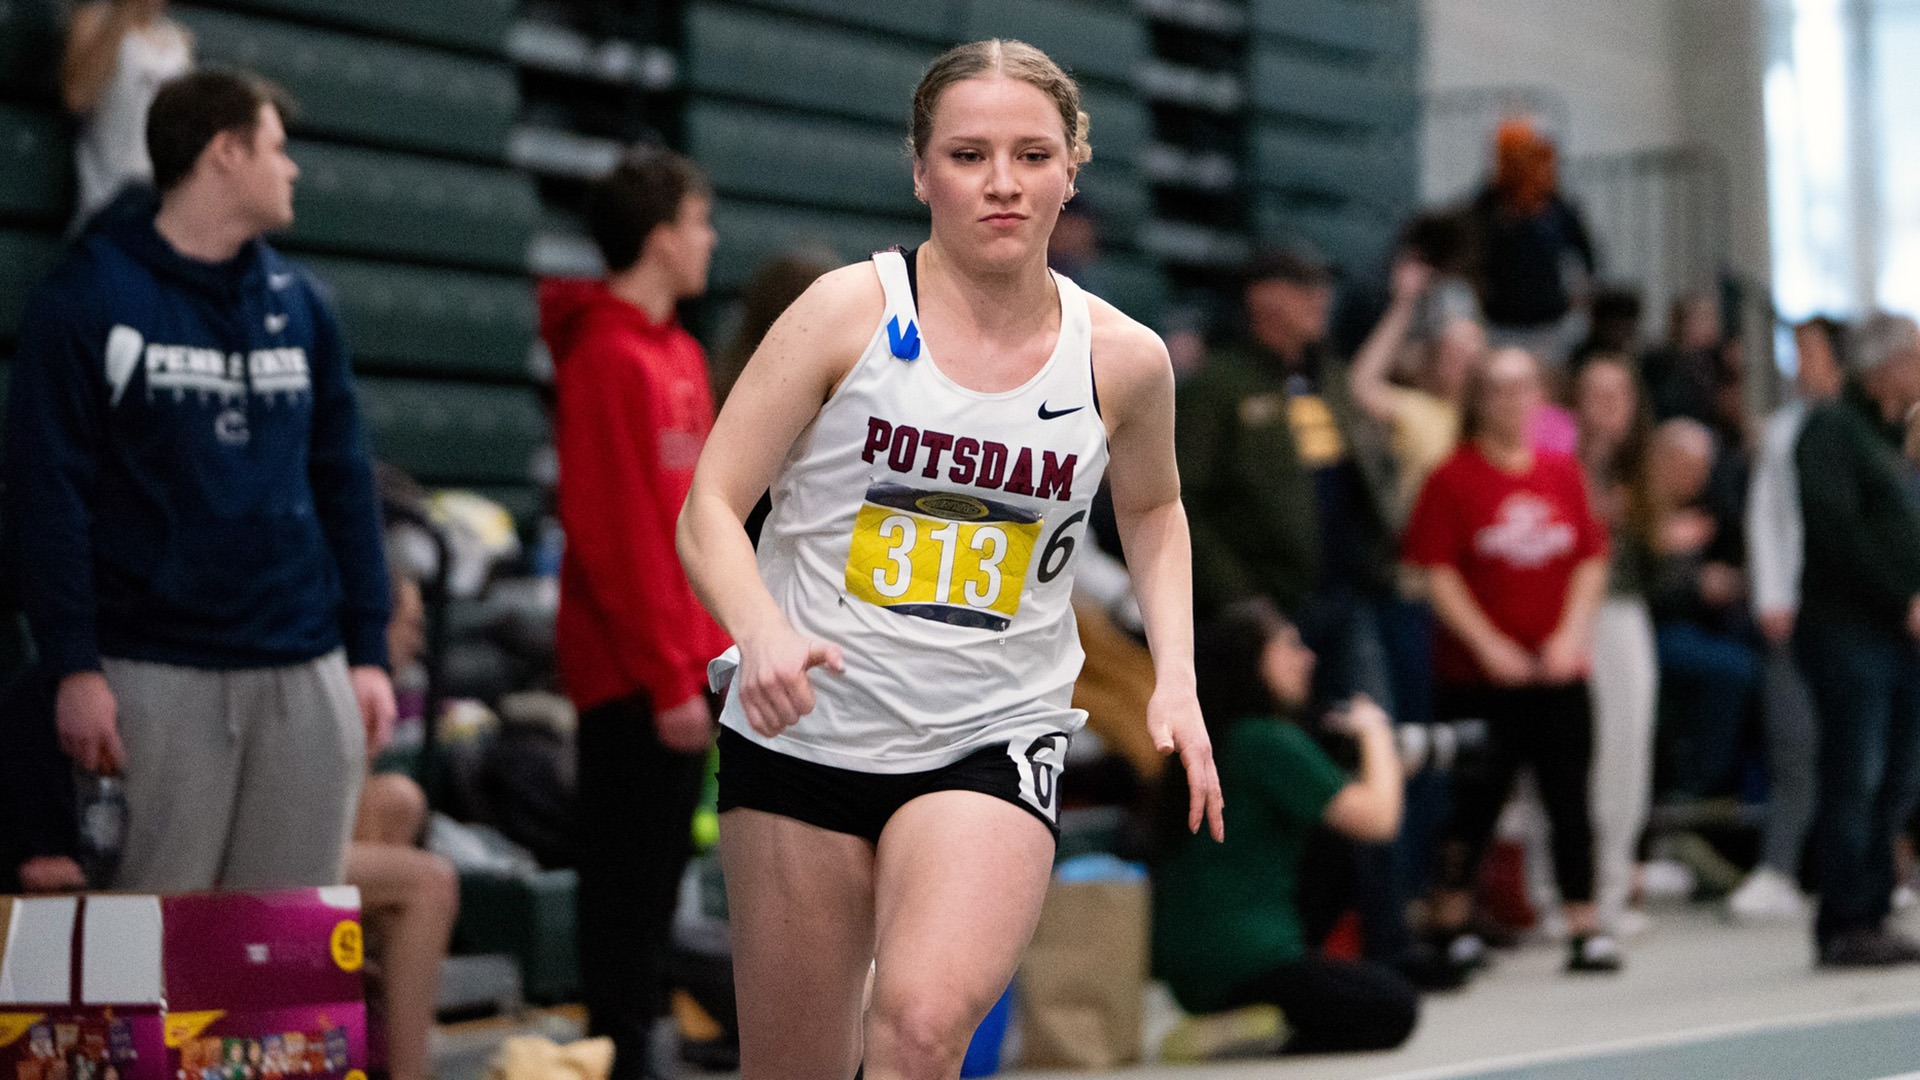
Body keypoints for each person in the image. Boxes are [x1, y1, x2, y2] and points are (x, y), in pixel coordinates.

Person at [675, 39, 1223, 1079]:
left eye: (1032, 153)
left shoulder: (1125, 359)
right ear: (921, 171)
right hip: (807, 735)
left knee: (923, 1026)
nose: (1003, 182)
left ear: (1073, 169)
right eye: (970, 155)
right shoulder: (844, 314)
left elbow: (1154, 509)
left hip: (992, 733)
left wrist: (1178, 678)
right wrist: (765, 632)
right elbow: (710, 505)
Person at [4, 69, 395, 893]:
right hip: (153, 669)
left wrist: (366, 649)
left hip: (302, 666)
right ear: (225, 152)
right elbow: (47, 498)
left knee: (289, 948)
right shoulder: (87, 299)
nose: (291, 171)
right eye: (276, 150)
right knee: (157, 943)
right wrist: (73, 666)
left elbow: (344, 484)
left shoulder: (304, 304)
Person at [537, 145, 730, 1079]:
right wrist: (666, 675)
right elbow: (616, 538)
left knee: (657, 887)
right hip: (631, 673)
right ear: (660, 240)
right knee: (622, 889)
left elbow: (700, 521)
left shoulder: (682, 353)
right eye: (699, 222)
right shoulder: (606, 358)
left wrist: (718, 648)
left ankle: (645, 1048)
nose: (711, 240)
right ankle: (625, 1056)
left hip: (687, 661)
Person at [1402, 347, 1618, 973]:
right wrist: (1489, 645)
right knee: (1474, 801)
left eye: (1524, 387)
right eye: (1498, 389)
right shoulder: (1452, 478)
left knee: (1570, 798)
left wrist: (1568, 637)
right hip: (1478, 677)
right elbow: (1436, 573)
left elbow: (1591, 557)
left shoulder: (1562, 471)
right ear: (1479, 399)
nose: (1512, 400)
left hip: (1557, 671)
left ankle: (1585, 922)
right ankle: (1450, 920)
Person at [1152, 613, 1416, 1060]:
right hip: (1247, 960)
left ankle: (1252, 1020)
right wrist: (1375, 733)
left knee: (1328, 844)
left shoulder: (1218, 740)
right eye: (1289, 646)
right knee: (1394, 1007)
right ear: (1253, 663)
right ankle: (1256, 1031)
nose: (1306, 658)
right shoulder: (1265, 740)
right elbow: (1379, 819)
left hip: (1193, 968)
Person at [1794, 312, 1920, 966]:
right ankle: (1844, 917)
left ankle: (1873, 907)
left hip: (1898, 640)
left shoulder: (1891, 435)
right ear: (1886, 366)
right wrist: (1903, 597)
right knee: (1856, 775)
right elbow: (1840, 534)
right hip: (1848, 632)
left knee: (1898, 778)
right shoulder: (1831, 431)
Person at [1727, 316, 1843, 921]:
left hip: (1859, 612)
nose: (1802, 366)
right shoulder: (1782, 432)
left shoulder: (1872, 429)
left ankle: (1869, 866)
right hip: (1794, 612)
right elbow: (1765, 519)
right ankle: (1780, 868)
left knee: (1869, 746)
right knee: (1794, 742)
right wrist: (1772, 594)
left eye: (1812, 354)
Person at [1571, 354, 1660, 935]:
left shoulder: (1643, 468)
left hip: (1625, 613)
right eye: (1595, 395)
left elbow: (1655, 563)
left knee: (1629, 744)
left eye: (1618, 396)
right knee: (1582, 752)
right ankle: (1564, 891)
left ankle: (1613, 882)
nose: (1607, 409)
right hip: (1570, 619)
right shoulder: (1554, 460)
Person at [1464, 118, 1597, 365]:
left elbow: (1587, 254)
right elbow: (1469, 253)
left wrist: (1580, 295)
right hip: (1500, 321)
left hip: (1549, 322)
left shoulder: (1558, 205)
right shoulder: (1487, 204)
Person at [62, 0, 193, 224]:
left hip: (158, 200)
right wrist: (123, 15)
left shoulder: (180, 37)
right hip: (104, 193)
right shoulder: (93, 19)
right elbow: (77, 97)